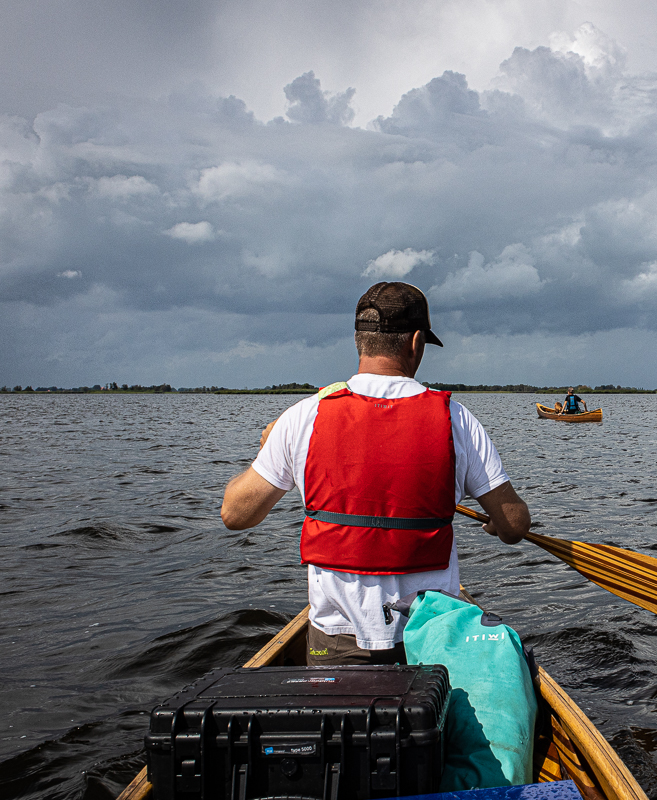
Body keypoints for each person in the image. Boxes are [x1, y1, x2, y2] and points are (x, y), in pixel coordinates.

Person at [220, 281, 530, 666]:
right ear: (416, 343)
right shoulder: (456, 420)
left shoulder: (303, 415)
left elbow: (235, 515)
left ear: (358, 341)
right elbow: (515, 526)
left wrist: (268, 446)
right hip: (429, 641)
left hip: (331, 643)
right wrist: (499, 522)